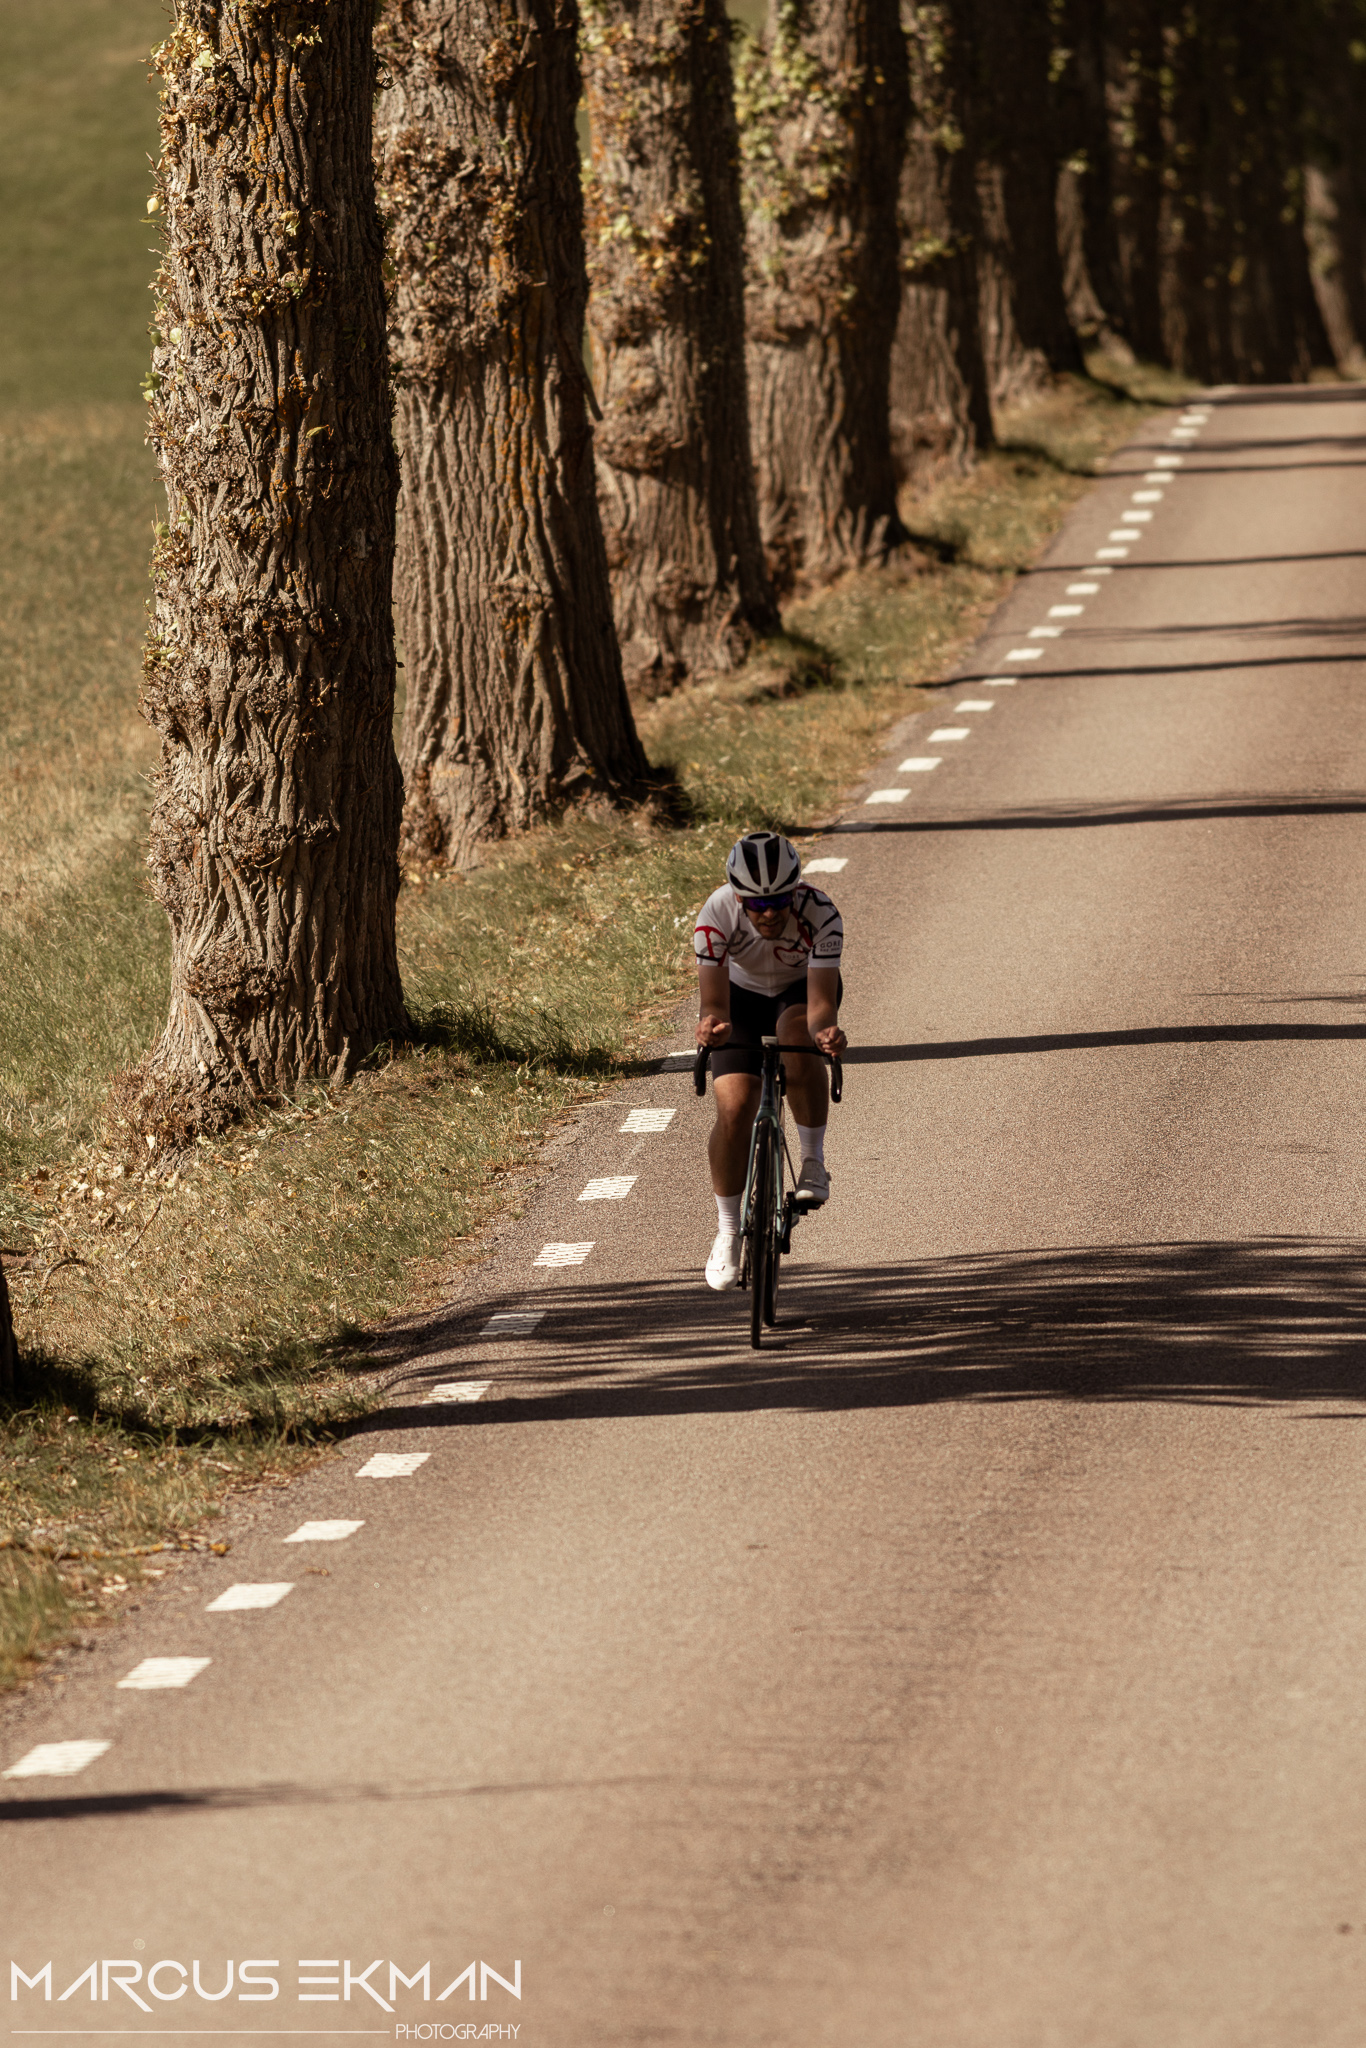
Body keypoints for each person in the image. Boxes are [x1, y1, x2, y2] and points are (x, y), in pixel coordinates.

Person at [693, 832, 847, 1291]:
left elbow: (820, 1004)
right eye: (756, 903)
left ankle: (813, 1159)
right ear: (738, 896)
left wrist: (825, 1033)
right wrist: (711, 1027)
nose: (769, 912)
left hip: (800, 994)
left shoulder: (821, 913)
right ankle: (727, 1232)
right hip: (739, 998)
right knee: (736, 1106)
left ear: (795, 890)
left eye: (780, 899)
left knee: (797, 1037)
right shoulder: (715, 914)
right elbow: (714, 1003)